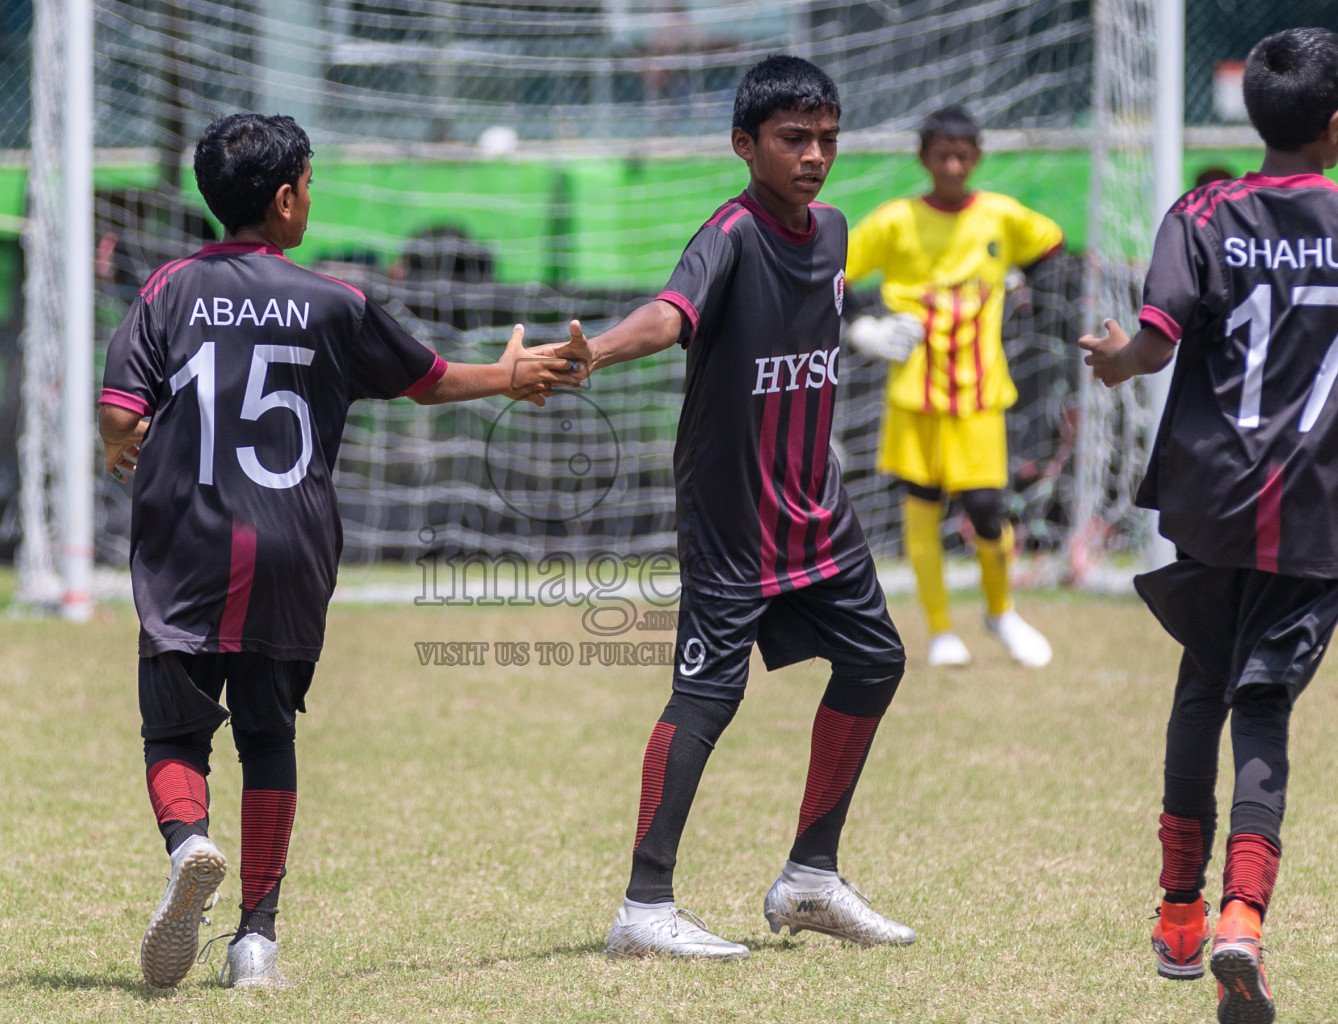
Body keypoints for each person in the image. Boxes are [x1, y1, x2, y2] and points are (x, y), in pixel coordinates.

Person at [98, 112, 582, 989]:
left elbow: (121, 415)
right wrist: (516, 373)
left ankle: (190, 843)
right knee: (269, 735)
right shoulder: (336, 300)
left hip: (189, 544)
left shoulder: (166, 290)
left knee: (174, 731)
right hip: (293, 546)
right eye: (311, 185)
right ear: (287, 199)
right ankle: (256, 943)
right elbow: (431, 382)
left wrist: (116, 443)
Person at [560, 54, 914, 960]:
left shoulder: (834, 232)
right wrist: (593, 352)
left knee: (876, 662)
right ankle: (644, 909)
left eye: (827, 138)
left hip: (819, 514)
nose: (815, 156)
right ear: (744, 144)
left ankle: (810, 879)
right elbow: (671, 315)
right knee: (708, 696)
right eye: (794, 139)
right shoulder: (727, 233)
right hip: (735, 523)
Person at [1080, 28, 1338, 1024]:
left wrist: (1114, 357)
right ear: (1331, 124)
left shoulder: (1201, 210)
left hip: (1209, 496)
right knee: (1262, 712)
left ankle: (1178, 914)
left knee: (1198, 689)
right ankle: (1241, 917)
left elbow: (1154, 339)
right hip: (1314, 509)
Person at [843, 106, 1063, 668]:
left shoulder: (1000, 216)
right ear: (923, 158)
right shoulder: (895, 221)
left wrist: (1021, 281)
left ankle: (1000, 611)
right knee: (921, 507)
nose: (952, 164)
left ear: (977, 157)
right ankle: (940, 630)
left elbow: (1052, 246)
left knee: (989, 510)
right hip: (913, 393)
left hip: (980, 394)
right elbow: (833, 272)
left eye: (963, 154)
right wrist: (862, 328)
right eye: (941, 154)